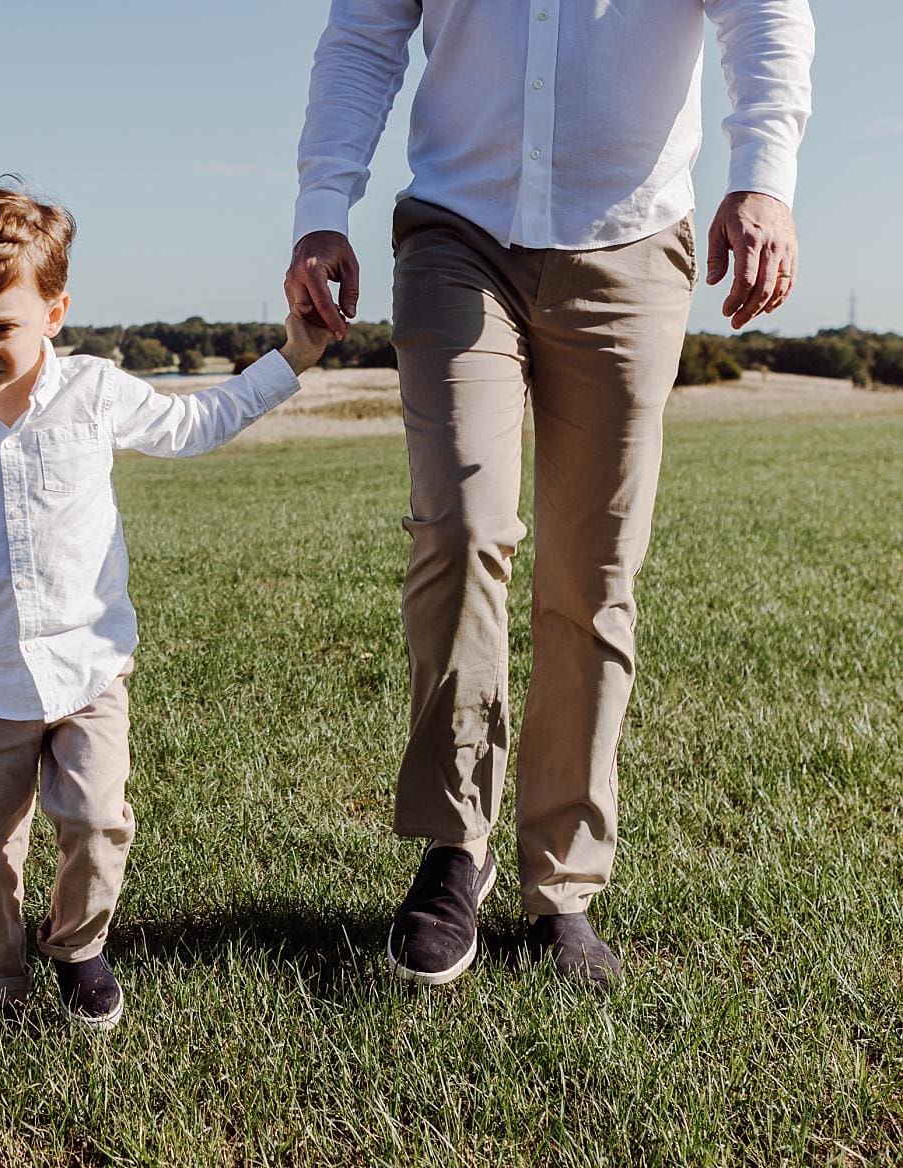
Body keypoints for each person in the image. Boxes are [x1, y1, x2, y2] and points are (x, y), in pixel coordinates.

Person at [285, 0, 814, 988]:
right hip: (457, 229)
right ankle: (455, 845)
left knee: (592, 572)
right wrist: (323, 207)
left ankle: (562, 885)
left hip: (629, 235)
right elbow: (361, 35)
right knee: (460, 524)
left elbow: (766, 17)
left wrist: (762, 182)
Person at [0, 187, 330, 1027]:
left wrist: (291, 357)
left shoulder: (95, 392)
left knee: (94, 821)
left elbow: (196, 423)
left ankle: (79, 945)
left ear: (54, 311)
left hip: (89, 669)